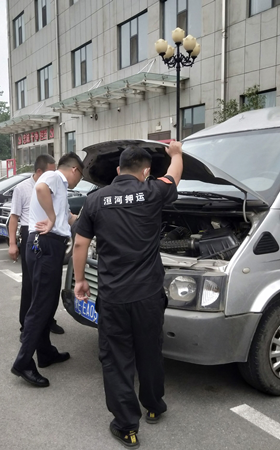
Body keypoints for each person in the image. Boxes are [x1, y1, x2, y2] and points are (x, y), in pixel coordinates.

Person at [73, 142, 183, 448]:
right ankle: (154, 407)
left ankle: (126, 427)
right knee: (150, 351)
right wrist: (176, 153)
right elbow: (174, 175)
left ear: (118, 170)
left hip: (114, 297)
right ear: (146, 172)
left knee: (117, 358)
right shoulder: (153, 191)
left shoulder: (95, 200)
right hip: (148, 296)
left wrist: (80, 280)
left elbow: (80, 244)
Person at [11, 152, 84, 388]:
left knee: (48, 301)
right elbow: (40, 188)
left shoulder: (60, 188)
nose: (79, 182)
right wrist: (51, 218)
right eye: (80, 177)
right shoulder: (54, 177)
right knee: (41, 304)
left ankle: (45, 352)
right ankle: (23, 362)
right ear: (74, 170)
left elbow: (69, 218)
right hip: (45, 244)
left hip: (46, 246)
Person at [8, 154, 65, 337]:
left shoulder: (55, 185)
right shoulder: (22, 188)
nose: (54, 175)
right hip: (31, 234)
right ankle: (26, 326)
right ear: (39, 171)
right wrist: (12, 243)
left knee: (51, 284)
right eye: (51, 171)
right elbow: (14, 217)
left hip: (51, 235)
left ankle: (48, 321)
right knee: (31, 284)